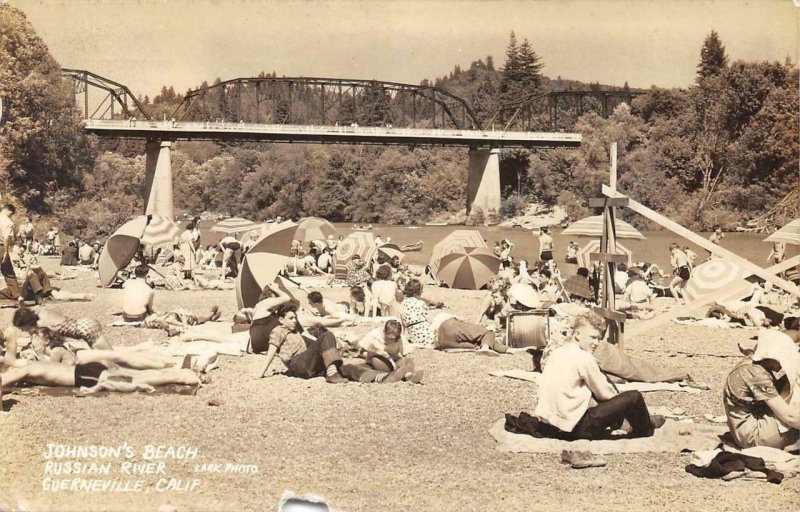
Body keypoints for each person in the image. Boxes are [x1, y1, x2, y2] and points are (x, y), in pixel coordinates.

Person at [532, 312, 663, 440]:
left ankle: (627, 422)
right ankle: (646, 428)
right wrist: (620, 404)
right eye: (592, 337)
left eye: (599, 339)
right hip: (572, 429)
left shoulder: (557, 352)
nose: (596, 343)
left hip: (547, 425)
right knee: (634, 397)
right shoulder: (584, 358)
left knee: (596, 389)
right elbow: (605, 394)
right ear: (577, 334)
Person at [255, 304, 407, 384]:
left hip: (309, 365)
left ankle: (382, 377)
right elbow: (271, 350)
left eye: (295, 317)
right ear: (281, 320)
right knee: (327, 335)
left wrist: (340, 349)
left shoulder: (295, 333)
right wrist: (261, 373)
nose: (295, 320)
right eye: (290, 318)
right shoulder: (278, 331)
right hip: (297, 365)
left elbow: (315, 345)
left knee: (347, 368)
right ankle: (332, 374)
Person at [723, 330, 800, 449]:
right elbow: (789, 416)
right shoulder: (755, 374)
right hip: (754, 437)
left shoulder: (752, 366)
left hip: (744, 431)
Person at [432, 311, 509, 355]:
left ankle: (508, 350)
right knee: (488, 332)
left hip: (443, 342)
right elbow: (485, 332)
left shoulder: (440, 318)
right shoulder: (453, 320)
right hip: (449, 326)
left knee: (477, 345)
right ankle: (486, 348)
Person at [399, 279, 436, 345]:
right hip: (427, 334)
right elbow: (430, 320)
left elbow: (402, 323)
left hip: (414, 336)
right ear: (418, 291)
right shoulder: (420, 303)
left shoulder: (402, 304)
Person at [0, 204, 20, 300]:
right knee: (8, 273)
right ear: (10, 212)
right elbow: (6, 238)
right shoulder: (8, 222)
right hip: (1, 247)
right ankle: (18, 296)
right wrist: (6, 252)